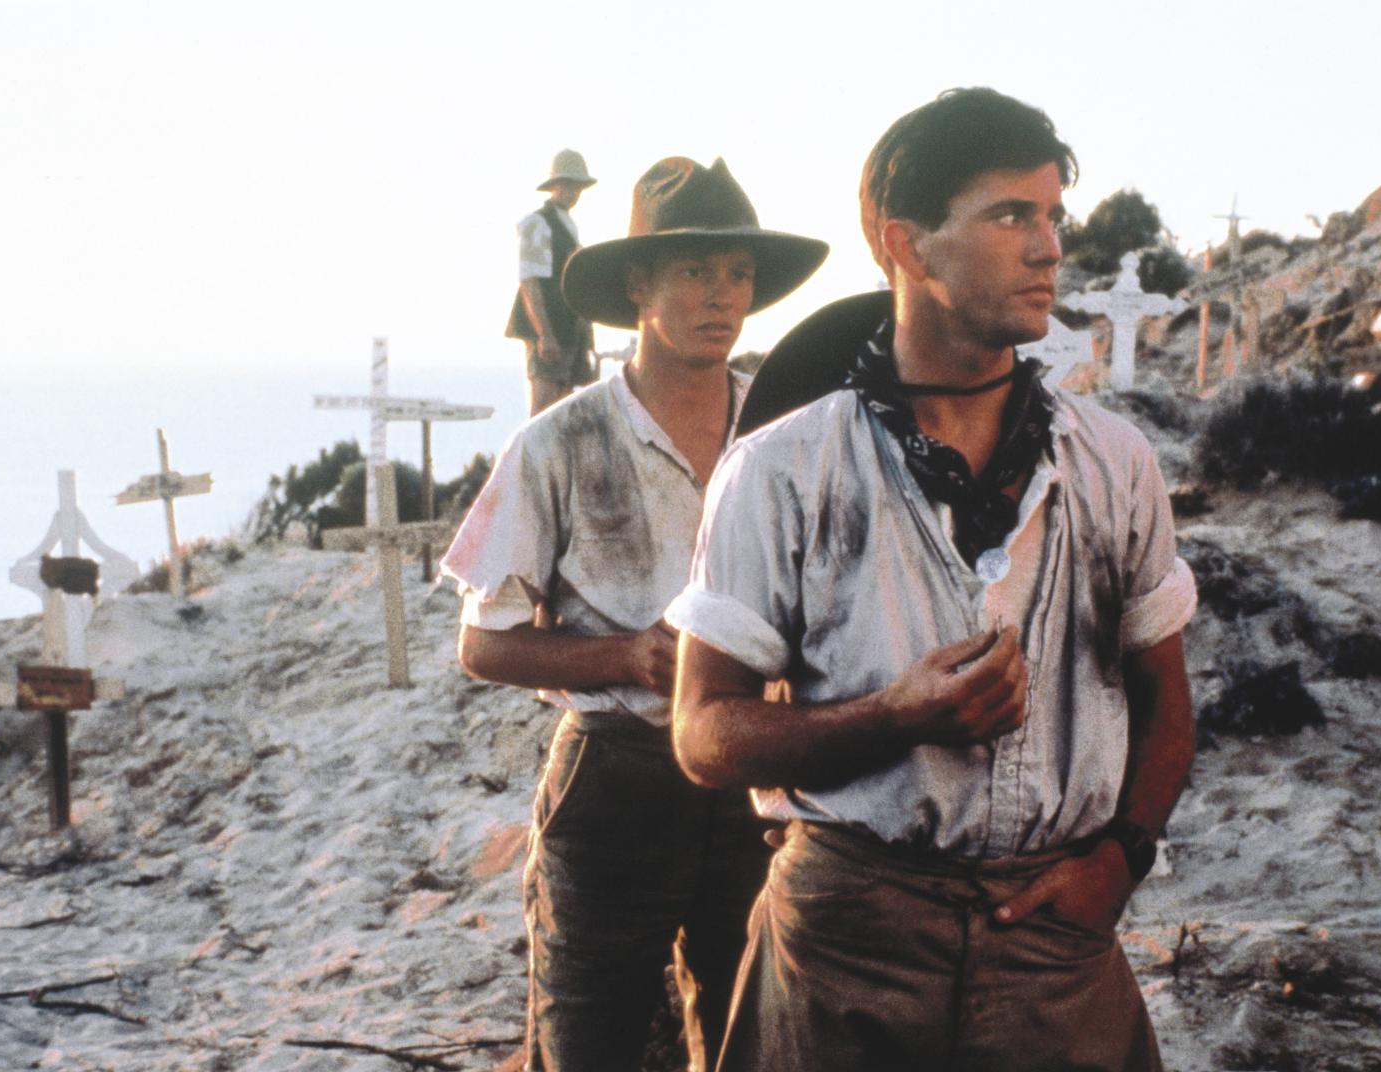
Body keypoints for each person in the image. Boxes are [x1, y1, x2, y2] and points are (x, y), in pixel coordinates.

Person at [668, 88, 1198, 1071]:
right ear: (904, 244)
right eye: (1010, 216)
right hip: (846, 948)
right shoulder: (783, 469)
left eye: (1054, 217)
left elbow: (1167, 701)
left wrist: (1120, 859)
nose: (1048, 249)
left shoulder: (1112, 462)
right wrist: (890, 718)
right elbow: (702, 734)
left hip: (1054, 951)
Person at [443, 156, 827, 1072]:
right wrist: (625, 657)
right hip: (617, 782)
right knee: (588, 1040)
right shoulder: (560, 441)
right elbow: (483, 644)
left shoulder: (786, 434)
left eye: (738, 272)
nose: (722, 295)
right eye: (694, 270)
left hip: (752, 778)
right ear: (637, 286)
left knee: (749, 1038)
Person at [507, 149, 599, 415]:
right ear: (554, 185)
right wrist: (544, 333)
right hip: (550, 327)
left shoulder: (567, 224)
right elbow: (530, 281)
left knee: (561, 408)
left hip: (568, 326)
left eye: (577, 186)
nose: (573, 192)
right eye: (567, 184)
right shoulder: (537, 223)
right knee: (543, 408)